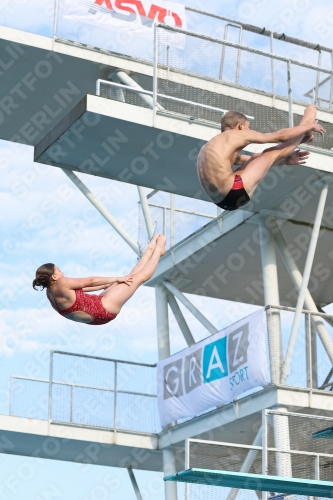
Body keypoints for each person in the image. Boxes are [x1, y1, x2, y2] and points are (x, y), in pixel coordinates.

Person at [197, 104, 325, 211]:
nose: (249, 130)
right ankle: (304, 131)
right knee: (271, 152)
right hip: (233, 190)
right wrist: (308, 125)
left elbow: (251, 160)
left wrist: (284, 160)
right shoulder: (235, 134)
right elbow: (280, 136)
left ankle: (301, 140)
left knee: (256, 157)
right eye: (248, 127)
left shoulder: (211, 147)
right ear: (241, 126)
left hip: (222, 202)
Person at [32, 234, 166, 325]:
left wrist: (104, 286)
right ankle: (158, 250)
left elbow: (82, 289)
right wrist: (117, 278)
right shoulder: (62, 282)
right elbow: (90, 280)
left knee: (129, 278)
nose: (62, 272)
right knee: (137, 278)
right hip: (103, 308)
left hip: (98, 313)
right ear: (54, 276)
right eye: (59, 270)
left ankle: (149, 250)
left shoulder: (50, 293)